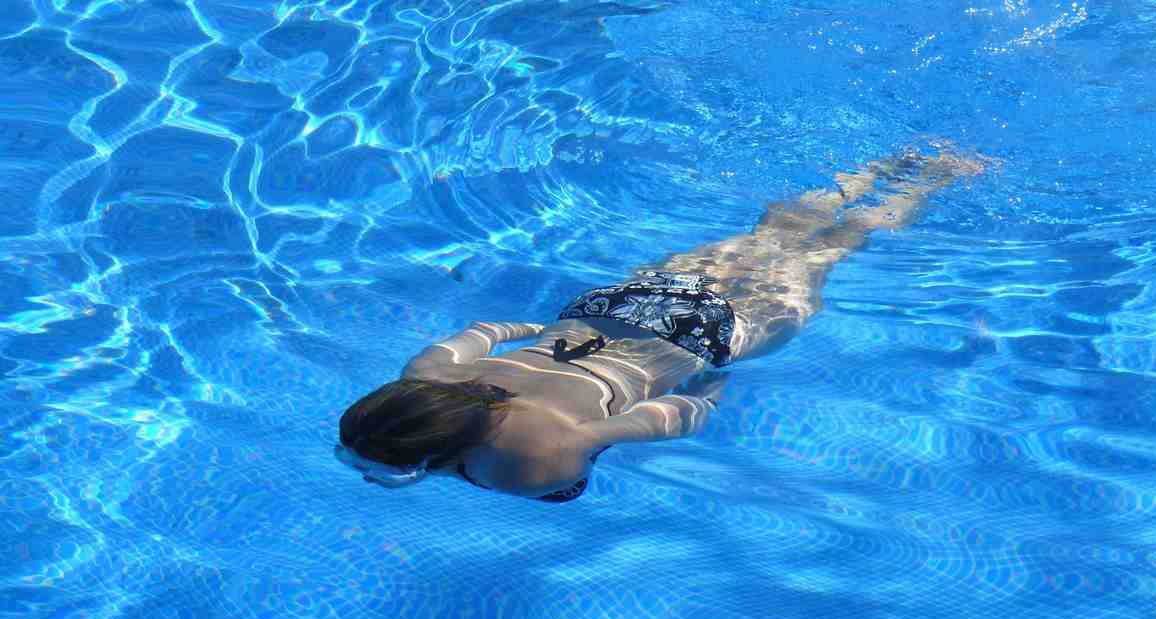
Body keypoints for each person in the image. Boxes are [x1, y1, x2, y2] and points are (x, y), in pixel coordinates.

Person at [335, 151, 982, 502]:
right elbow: (484, 328)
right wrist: (536, 325)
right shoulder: (424, 373)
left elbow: (651, 420)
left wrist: (703, 398)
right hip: (616, 306)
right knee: (774, 233)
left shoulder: (529, 464)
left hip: (699, 338)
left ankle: (942, 175)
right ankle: (877, 164)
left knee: (832, 248)